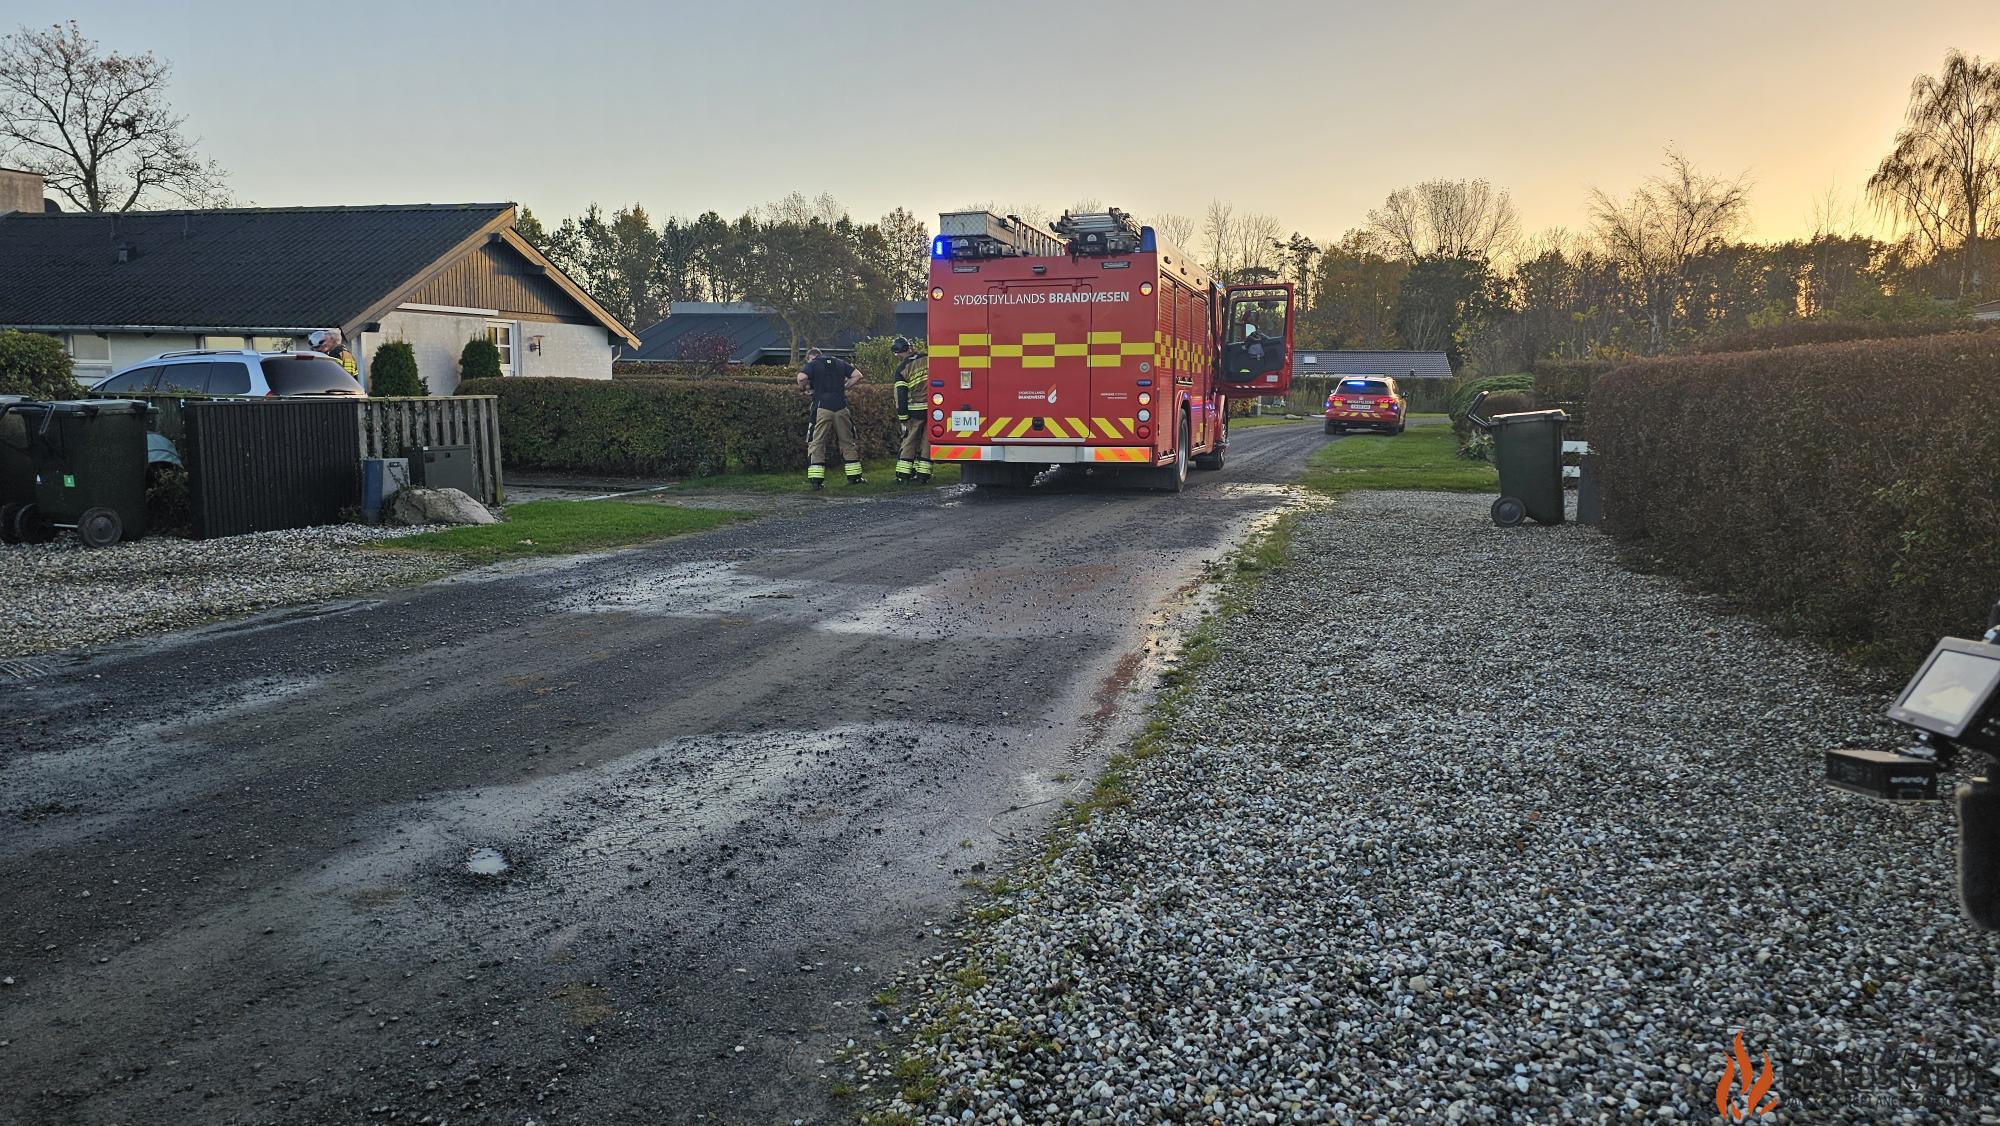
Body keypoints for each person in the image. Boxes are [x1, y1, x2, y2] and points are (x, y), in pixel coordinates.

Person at [796, 347, 865, 489]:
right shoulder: (839, 362)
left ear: (811, 357)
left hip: (821, 406)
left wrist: (804, 388)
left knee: (817, 442)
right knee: (847, 441)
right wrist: (844, 387)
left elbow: (801, 377)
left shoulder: (813, 363)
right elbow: (857, 375)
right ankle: (855, 478)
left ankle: (816, 481)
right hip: (841, 406)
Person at [890, 336, 932, 483]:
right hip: (933, 409)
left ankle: (903, 475)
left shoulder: (901, 369)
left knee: (910, 441)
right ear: (910, 347)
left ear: (899, 352)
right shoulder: (928, 358)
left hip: (915, 410)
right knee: (928, 441)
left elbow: (901, 395)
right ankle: (923, 475)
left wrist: (903, 416)